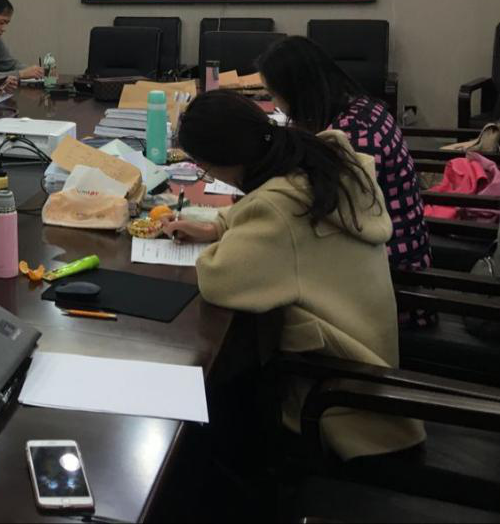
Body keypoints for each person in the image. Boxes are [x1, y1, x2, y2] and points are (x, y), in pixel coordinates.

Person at [163, 91, 425, 462]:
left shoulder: (278, 209)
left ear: (225, 161)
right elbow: (273, 213)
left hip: (340, 405)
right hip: (371, 367)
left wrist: (220, 240)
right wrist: (218, 226)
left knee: (216, 400)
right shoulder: (323, 158)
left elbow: (219, 279)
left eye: (205, 168)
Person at [257, 35, 433, 325]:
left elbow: (323, 213)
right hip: (381, 256)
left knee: (262, 278)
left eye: (274, 96)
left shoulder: (354, 137)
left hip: (391, 281)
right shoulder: (359, 107)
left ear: (298, 93)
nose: (275, 105)